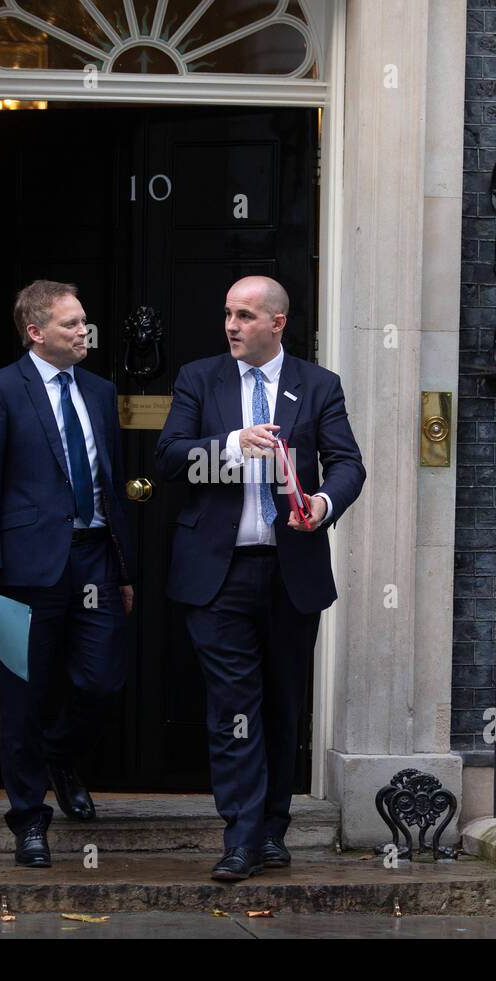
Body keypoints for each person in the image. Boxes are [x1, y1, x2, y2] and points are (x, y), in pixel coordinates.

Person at [154, 275, 365, 881]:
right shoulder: (201, 378)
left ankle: (273, 830)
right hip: (217, 577)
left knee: (281, 706)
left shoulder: (317, 386)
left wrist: (324, 504)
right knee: (233, 708)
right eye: (227, 314)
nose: (230, 325)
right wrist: (227, 445)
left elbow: (348, 462)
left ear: (277, 322)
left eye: (244, 315)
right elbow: (168, 458)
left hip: (289, 573)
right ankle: (241, 838)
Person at [0, 280, 135, 868]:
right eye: (70, 323)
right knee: (24, 696)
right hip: (24, 567)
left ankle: (61, 755)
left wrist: (125, 567)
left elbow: (111, 486)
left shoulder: (100, 390)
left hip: (93, 558)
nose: (83, 331)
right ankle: (28, 821)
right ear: (36, 332)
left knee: (102, 680)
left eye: (83, 321)